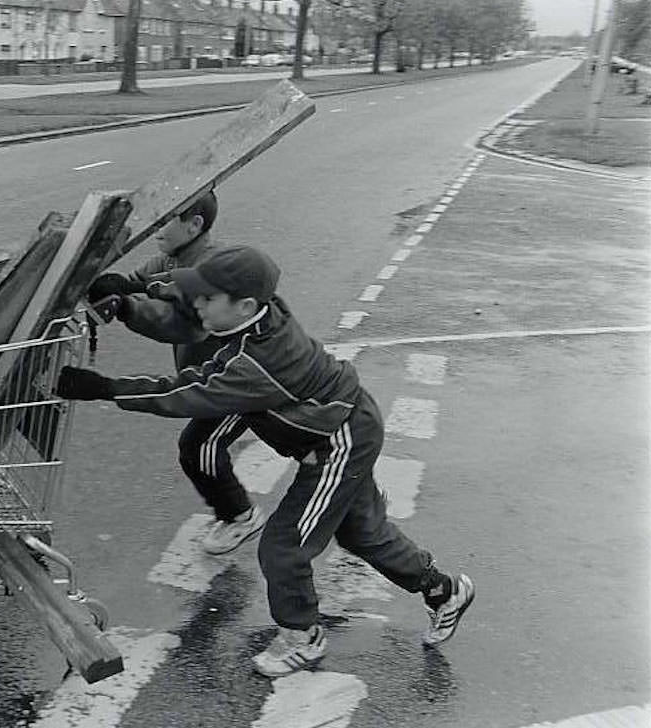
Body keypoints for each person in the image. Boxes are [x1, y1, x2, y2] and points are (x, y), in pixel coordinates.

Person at [58, 244, 474, 677]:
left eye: (209, 299)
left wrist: (105, 387)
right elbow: (186, 287)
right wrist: (133, 288)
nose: (198, 304)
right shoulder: (254, 310)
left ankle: (302, 636)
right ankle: (444, 591)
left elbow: (183, 392)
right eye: (202, 295)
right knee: (362, 533)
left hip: (339, 441)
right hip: (344, 422)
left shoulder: (259, 365)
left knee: (285, 545)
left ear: (245, 305)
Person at [88, 190, 265, 555]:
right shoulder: (170, 259)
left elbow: (183, 326)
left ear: (195, 225)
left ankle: (242, 517)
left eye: (165, 219)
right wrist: (109, 286)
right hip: (213, 378)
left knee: (200, 445)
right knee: (204, 445)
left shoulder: (209, 269)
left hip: (243, 377)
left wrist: (127, 309)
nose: (155, 227)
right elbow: (137, 281)